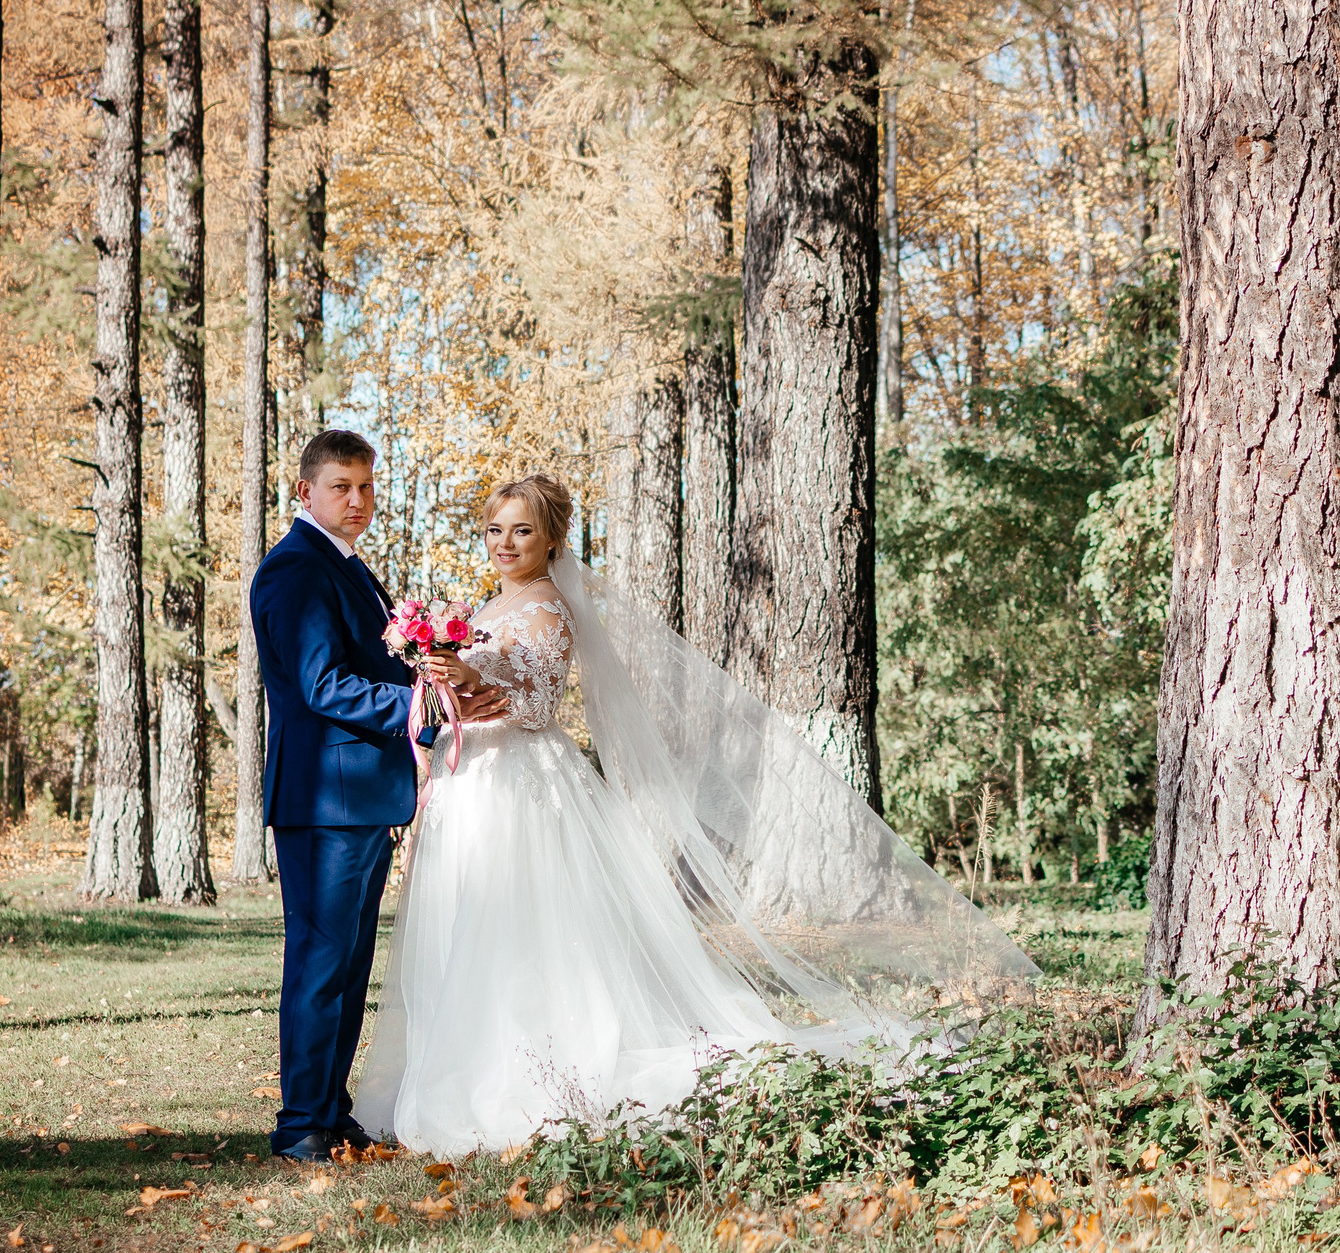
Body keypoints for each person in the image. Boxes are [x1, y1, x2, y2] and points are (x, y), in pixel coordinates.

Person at [352, 472, 1037, 1157]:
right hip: (472, 781)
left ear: (552, 536)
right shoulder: (489, 606)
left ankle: (525, 1070)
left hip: (525, 788)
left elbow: (535, 707)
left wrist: (473, 675)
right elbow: (475, 698)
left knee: (520, 928)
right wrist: (444, 676)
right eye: (496, 528)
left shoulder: (549, 610)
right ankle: (463, 1056)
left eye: (523, 529)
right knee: (469, 920)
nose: (506, 542)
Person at [248, 428, 502, 1162]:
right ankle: (300, 1124)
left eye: (365, 486)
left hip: (362, 797)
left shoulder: (349, 566)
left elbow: (382, 661)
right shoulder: (296, 569)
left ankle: (330, 1111)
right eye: (341, 487)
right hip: (325, 798)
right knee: (321, 961)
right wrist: (419, 709)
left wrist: (439, 683)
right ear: (306, 491)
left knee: (349, 964)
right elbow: (321, 683)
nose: (357, 500)